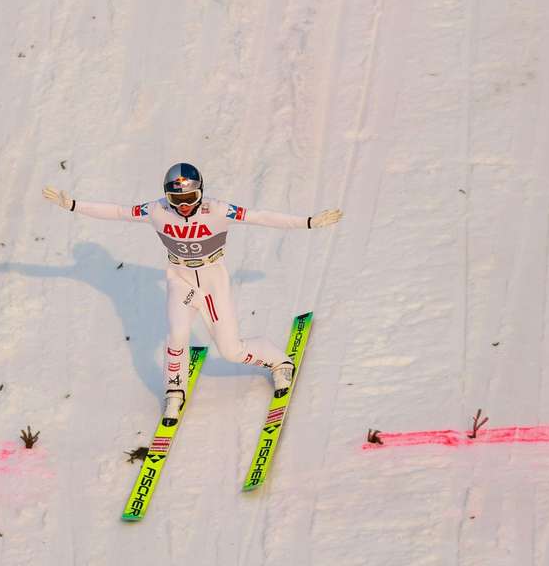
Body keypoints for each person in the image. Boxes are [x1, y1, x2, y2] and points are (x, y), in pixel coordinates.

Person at [43, 163, 342, 426]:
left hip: (213, 281)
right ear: (167, 196)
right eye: (177, 200)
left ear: (201, 192)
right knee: (177, 334)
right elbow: (118, 212)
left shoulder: (218, 210)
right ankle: (175, 389)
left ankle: (279, 362)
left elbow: (260, 216)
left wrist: (307, 222)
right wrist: (72, 205)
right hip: (182, 281)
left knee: (231, 350)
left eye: (190, 198)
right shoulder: (156, 210)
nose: (184, 206)